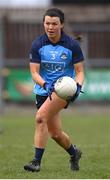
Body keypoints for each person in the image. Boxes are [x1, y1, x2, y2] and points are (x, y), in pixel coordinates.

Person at [24, 8, 84, 172]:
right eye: (47, 23)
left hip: (62, 91)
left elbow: (79, 71)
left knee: (40, 118)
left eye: (54, 24)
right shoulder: (38, 44)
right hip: (43, 90)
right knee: (56, 134)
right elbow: (34, 73)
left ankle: (36, 162)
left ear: (61, 25)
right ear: (44, 24)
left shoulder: (72, 45)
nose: (50, 27)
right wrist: (45, 85)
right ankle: (74, 153)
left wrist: (77, 86)